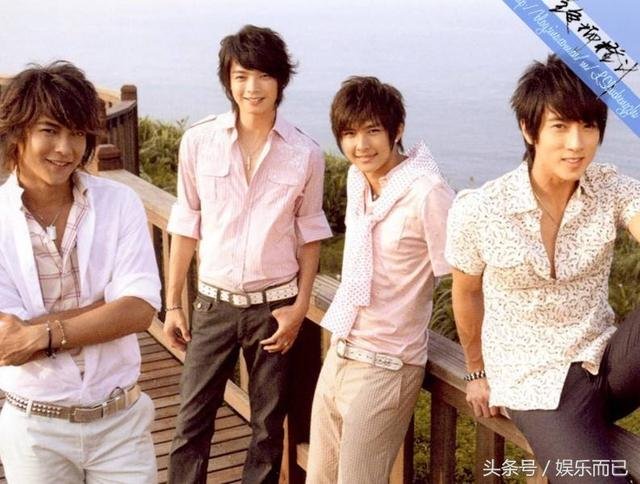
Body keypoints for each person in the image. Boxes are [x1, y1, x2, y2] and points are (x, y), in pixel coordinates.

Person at [446, 54, 640, 482]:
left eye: (588, 126)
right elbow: (466, 292)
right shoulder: (481, 210)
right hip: (538, 385)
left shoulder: (608, 186)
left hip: (608, 363)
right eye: (560, 126)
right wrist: (476, 371)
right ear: (528, 129)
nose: (576, 144)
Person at [164, 25, 332, 484]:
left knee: (267, 429)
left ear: (280, 80)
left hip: (274, 308)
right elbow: (186, 225)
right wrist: (174, 304)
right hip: (212, 304)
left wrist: (299, 308)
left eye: (262, 76)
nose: (251, 88)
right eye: (240, 76)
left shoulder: (306, 153)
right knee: (190, 422)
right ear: (228, 80)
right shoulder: (198, 141)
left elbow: (310, 236)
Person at [0, 61, 161, 483]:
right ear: (18, 131)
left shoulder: (119, 202)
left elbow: (139, 310)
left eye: (76, 133)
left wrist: (40, 334)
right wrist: (105, 308)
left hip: (121, 422)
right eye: (49, 130)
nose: (65, 149)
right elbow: (7, 342)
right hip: (35, 428)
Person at [306, 76, 454, 484]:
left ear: (397, 130)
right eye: (349, 134)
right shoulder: (358, 181)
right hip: (341, 350)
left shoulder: (428, 193)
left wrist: (477, 368)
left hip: (388, 365)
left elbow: (466, 278)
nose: (361, 145)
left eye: (372, 131)